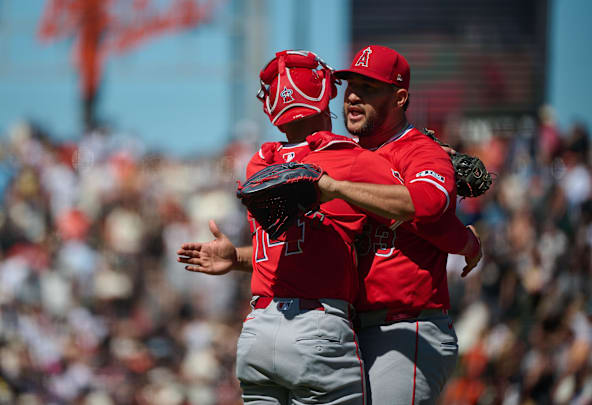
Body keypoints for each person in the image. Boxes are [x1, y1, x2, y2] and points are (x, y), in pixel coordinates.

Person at [179, 45, 482, 405]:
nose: (353, 96)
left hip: (404, 326)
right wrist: (241, 258)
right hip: (351, 326)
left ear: (400, 97)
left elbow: (428, 207)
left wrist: (466, 241)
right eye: (350, 85)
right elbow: (308, 245)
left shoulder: (417, 151)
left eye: (369, 88)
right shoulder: (342, 155)